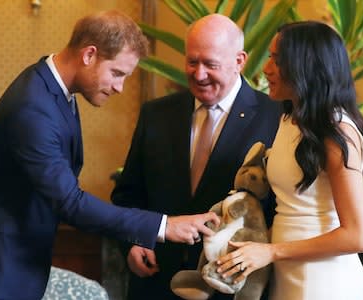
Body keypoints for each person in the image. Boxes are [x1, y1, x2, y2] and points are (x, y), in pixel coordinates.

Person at [0, 10, 220, 300]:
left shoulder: (54, 90)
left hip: (9, 268)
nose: (119, 87)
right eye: (117, 73)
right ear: (89, 55)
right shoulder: (32, 108)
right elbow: (70, 202)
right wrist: (164, 225)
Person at [111, 14, 282, 300]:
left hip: (232, 287)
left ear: (240, 61)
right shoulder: (156, 114)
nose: (199, 74)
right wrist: (132, 244)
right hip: (155, 282)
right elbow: (128, 195)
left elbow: (279, 208)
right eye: (192, 62)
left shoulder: (275, 117)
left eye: (210, 64)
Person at [216, 21, 363, 299]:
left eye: (277, 59)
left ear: (306, 66)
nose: (266, 68)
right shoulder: (289, 120)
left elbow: (357, 237)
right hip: (285, 273)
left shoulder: (338, 131)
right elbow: (294, 208)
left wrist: (271, 251)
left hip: (325, 281)